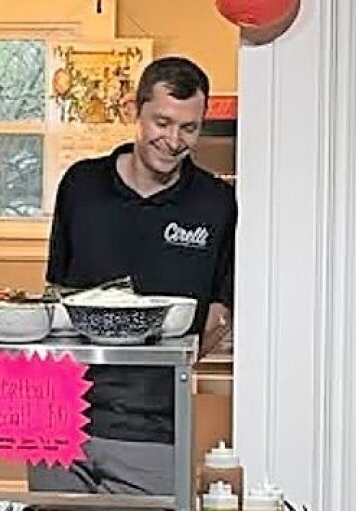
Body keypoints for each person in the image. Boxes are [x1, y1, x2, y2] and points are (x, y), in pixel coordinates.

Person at [30, 56, 237, 494]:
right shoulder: (81, 185)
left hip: (155, 427)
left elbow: (218, 315)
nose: (174, 140)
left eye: (189, 128)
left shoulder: (216, 203)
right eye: (162, 122)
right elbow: (57, 293)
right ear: (134, 111)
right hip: (61, 421)